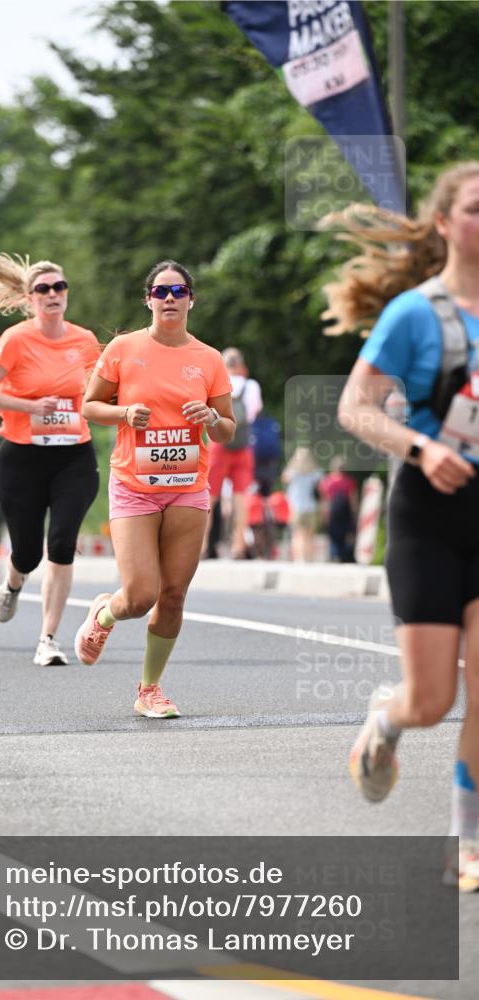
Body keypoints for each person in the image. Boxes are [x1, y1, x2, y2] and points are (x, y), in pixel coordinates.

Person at [321, 162, 479, 890]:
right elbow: (354, 409)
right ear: (444, 222)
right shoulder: (415, 312)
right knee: (431, 701)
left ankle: (464, 841)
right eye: (475, 208)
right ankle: (385, 721)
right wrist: (419, 446)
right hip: (430, 514)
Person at [77, 260, 235, 717]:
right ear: (148, 299)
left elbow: (227, 430)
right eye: (161, 291)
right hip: (134, 485)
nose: (170, 299)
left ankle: (149, 689)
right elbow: (89, 406)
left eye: (179, 291)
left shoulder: (208, 359)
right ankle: (105, 614)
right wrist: (124, 414)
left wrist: (212, 420)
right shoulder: (125, 349)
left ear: (191, 300)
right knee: (141, 594)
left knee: (173, 595)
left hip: (188, 487)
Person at [0, 255, 100, 666]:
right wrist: (29, 407)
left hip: (73, 457)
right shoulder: (15, 340)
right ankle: (13, 583)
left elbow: (101, 395)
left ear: (66, 294)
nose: (52, 295)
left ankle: (48, 638)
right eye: (43, 289)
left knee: (62, 544)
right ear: (30, 299)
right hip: (22, 458)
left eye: (59, 287)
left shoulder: (84, 341)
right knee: (27, 553)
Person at [204, 348, 262, 558]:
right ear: (242, 366)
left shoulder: (215, 382)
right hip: (243, 445)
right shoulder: (251, 386)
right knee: (241, 497)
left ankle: (201, 546)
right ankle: (238, 546)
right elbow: (253, 413)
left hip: (218, 444)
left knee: (209, 497)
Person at [281, 446, 322, 562]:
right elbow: (320, 487)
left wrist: (292, 464)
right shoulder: (315, 473)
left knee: (297, 534)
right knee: (310, 535)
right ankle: (309, 557)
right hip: (311, 507)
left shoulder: (292, 472)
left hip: (296, 508)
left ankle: (299, 558)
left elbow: (284, 478)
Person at [318, 456, 357, 563]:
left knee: (333, 536)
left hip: (332, 513)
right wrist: (354, 515)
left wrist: (323, 515)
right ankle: (343, 557)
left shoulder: (326, 481)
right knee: (344, 536)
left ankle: (333, 556)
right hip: (345, 514)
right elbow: (352, 500)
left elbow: (324, 501)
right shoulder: (349, 481)